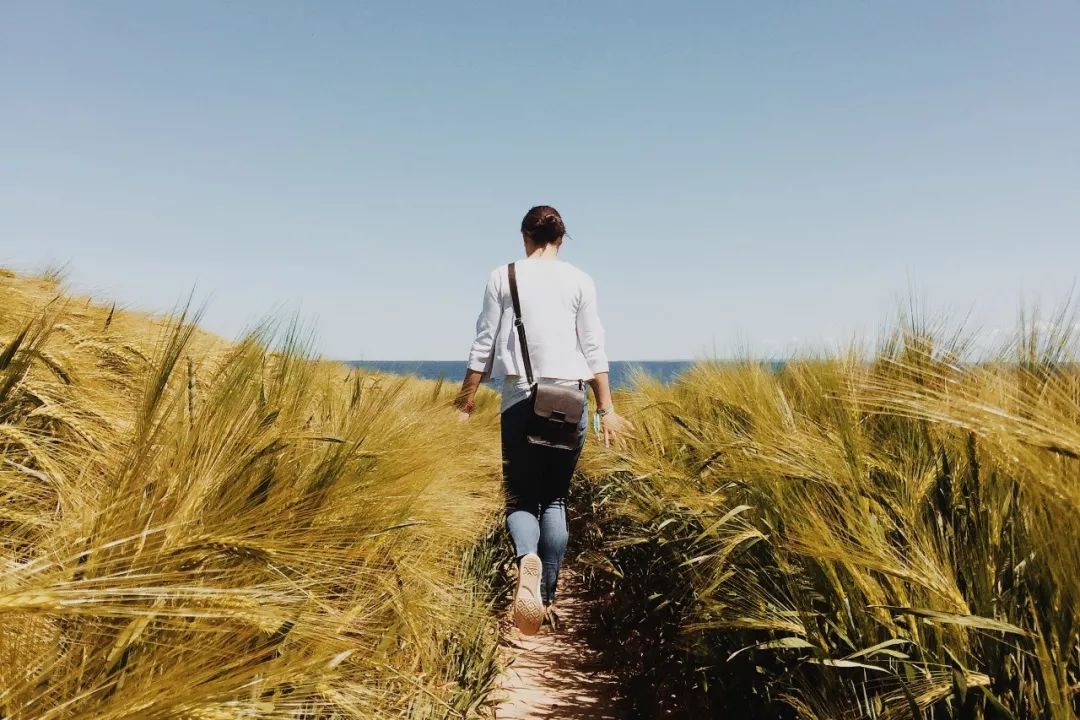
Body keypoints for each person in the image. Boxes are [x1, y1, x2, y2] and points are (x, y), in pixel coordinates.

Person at [454, 205, 634, 635]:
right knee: (555, 500)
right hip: (570, 400)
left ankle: (526, 560)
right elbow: (594, 349)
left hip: (520, 399)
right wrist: (607, 409)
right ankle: (547, 599)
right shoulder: (581, 281)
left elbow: (484, 343)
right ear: (561, 238)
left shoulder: (504, 276)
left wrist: (465, 401)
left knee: (519, 500)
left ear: (524, 237)